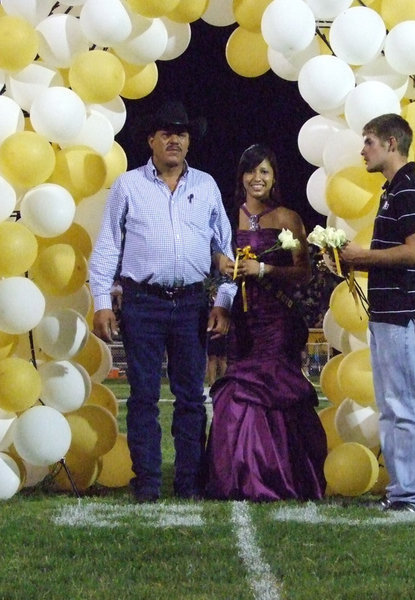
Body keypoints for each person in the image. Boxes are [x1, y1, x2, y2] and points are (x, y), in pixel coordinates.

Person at [89, 100, 235, 502]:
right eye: (166, 132)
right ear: (151, 139)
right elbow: (107, 247)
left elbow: (226, 247)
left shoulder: (205, 185)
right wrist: (102, 300)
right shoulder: (128, 185)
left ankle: (189, 483)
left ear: (189, 141)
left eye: (182, 133)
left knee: (191, 397)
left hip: (193, 304)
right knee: (143, 397)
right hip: (143, 302)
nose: (174, 139)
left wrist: (223, 299)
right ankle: (149, 482)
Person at [205, 143, 327, 501]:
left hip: (277, 320)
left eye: (264, 171)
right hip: (241, 320)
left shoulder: (289, 218)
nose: (257, 178)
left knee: (272, 389)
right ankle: (238, 473)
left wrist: (265, 268)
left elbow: (304, 272)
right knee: (236, 388)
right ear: (241, 176)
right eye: (250, 171)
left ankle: (281, 475)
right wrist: (222, 284)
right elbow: (221, 264)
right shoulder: (227, 218)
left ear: (274, 178)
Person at [338, 114, 415, 516]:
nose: (363, 151)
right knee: (394, 406)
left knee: (406, 406)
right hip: (390, 316)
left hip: (405, 316)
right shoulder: (395, 190)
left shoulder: (410, 188)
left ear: (392, 143)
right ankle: (402, 493)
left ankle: (413, 498)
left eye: (369, 142)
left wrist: (362, 256)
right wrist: (352, 264)